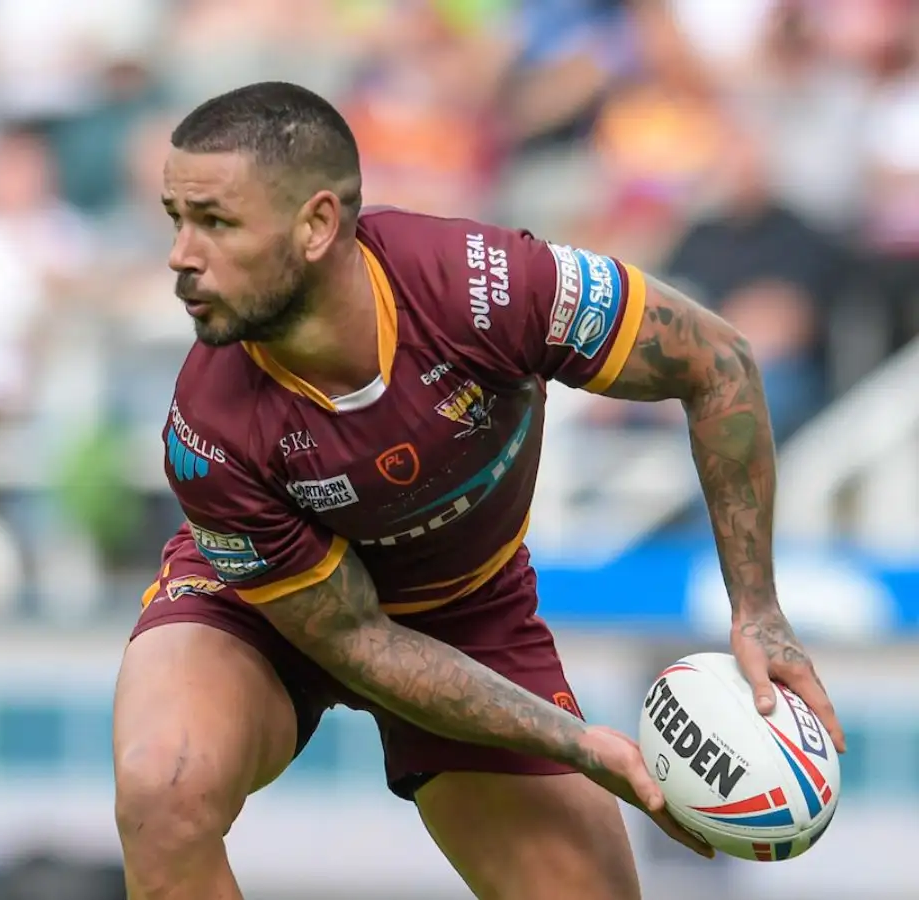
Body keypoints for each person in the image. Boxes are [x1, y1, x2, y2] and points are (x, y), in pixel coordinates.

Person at [112, 81, 845, 900]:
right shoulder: (206, 426)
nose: (180, 254)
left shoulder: (485, 285)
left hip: (468, 613)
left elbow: (718, 362)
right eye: (175, 219)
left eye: (215, 222)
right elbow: (355, 639)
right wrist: (574, 741)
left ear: (316, 225)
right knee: (162, 794)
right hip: (261, 609)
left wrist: (757, 609)